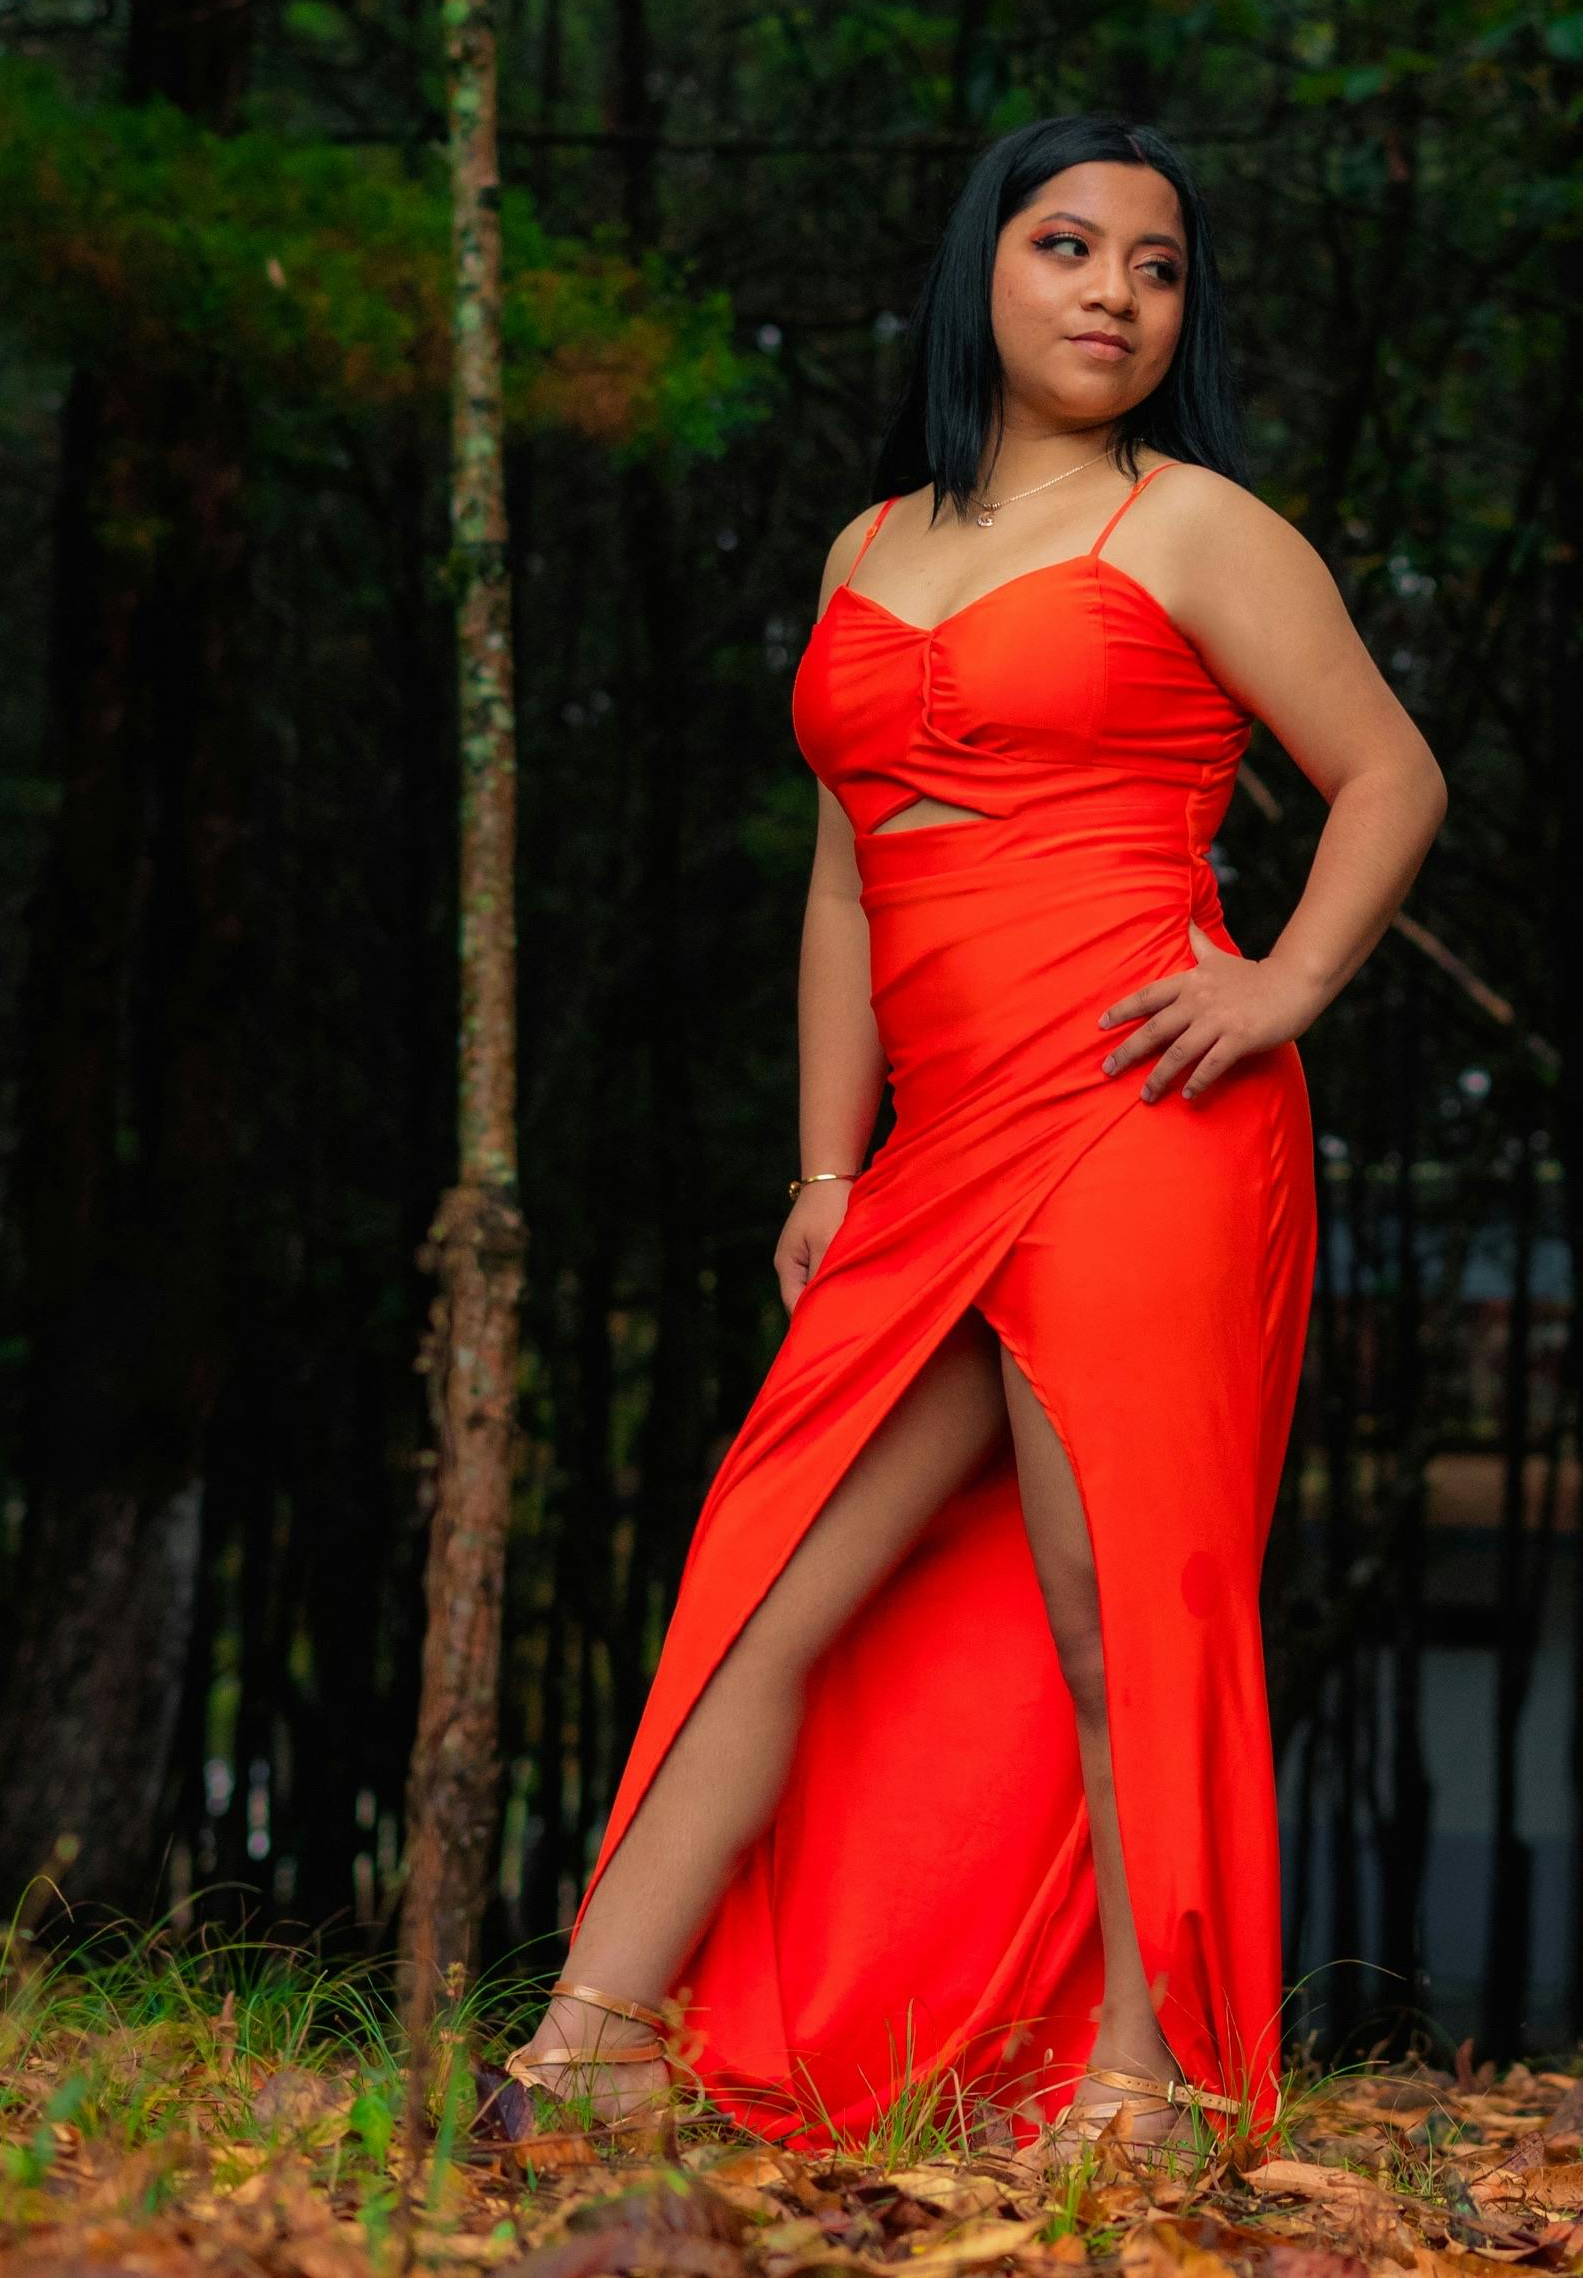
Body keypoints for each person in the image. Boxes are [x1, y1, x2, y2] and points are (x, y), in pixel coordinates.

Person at [494, 113, 1445, 2159]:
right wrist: (826, 1168)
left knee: (1117, 1606)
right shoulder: (865, 547)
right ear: (980, 274)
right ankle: (588, 2046)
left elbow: (1387, 773)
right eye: (1068, 245)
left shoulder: (1193, 524)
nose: (1113, 291)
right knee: (775, 1577)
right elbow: (848, 883)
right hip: (931, 1156)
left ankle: (1156, 2078)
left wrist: (1278, 983)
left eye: (1157, 265)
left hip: (1144, 1108)